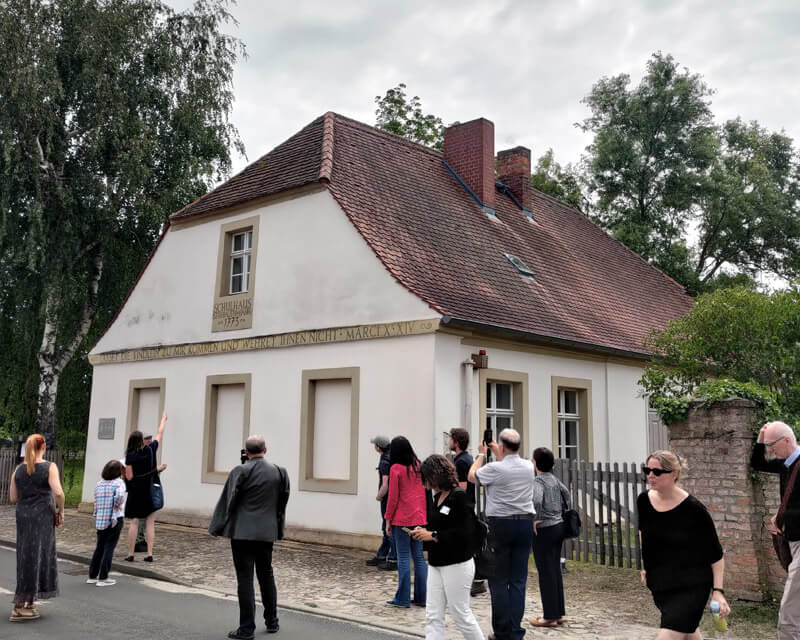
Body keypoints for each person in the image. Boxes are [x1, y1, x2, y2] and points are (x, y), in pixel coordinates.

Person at [638, 450, 729, 639]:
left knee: (671, 631)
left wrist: (718, 592)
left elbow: (716, 555)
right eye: (647, 470)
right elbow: (644, 536)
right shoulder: (644, 501)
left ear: (674, 474)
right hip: (661, 584)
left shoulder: (694, 510)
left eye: (657, 472)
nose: (650, 476)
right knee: (688, 631)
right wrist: (646, 567)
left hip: (691, 585)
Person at [209, 435, 289, 640]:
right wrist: (277, 527)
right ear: (265, 449)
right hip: (266, 532)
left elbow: (228, 500)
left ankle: (246, 628)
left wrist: (218, 526)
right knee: (266, 575)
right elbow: (282, 503)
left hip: (242, 533)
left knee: (245, 579)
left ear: (246, 452)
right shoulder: (280, 472)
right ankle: (272, 621)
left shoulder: (240, 471)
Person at [468, 428, 535, 640]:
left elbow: (472, 477)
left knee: (498, 579)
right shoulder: (527, 466)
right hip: (524, 524)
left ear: (503, 446)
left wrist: (480, 454)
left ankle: (501, 631)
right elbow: (509, 466)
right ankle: (515, 631)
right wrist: (500, 452)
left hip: (500, 526)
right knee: (518, 580)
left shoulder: (495, 469)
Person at [411, 454, 484, 640]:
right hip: (436, 563)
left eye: (427, 478)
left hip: (457, 563)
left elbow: (465, 533)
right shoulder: (437, 498)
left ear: (436, 475)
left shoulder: (459, 497)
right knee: (433, 615)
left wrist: (433, 535)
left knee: (460, 614)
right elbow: (439, 527)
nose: (425, 483)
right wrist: (424, 532)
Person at [751, 421, 800, 639]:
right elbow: (757, 463)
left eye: (772, 445)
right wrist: (761, 440)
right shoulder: (786, 465)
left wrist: (782, 516)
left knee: (789, 611)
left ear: (787, 441)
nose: (770, 449)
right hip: (792, 540)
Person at [9, 433, 65, 622]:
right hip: (42, 517)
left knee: (26, 555)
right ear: (43, 447)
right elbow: (58, 492)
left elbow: (13, 498)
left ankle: (29, 600)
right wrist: (61, 510)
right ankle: (20, 605)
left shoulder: (18, 470)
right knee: (41, 555)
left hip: (23, 517)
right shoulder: (50, 467)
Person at [384, 435, 428, 608]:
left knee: (403, 557)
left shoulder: (396, 469)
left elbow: (393, 498)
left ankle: (402, 598)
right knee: (418, 558)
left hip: (401, 519)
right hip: (419, 517)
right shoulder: (418, 466)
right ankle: (421, 597)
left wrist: (388, 519)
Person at [529, 447, 570, 627]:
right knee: (554, 570)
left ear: (536, 463)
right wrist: (562, 512)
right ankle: (558, 612)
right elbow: (567, 494)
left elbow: (536, 500)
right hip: (558, 527)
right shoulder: (554, 479)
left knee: (545, 572)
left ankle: (549, 616)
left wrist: (535, 519)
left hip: (544, 529)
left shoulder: (538, 481)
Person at [124, 412, 166, 562]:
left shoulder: (130, 455)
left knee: (134, 522)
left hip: (136, 490)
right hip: (149, 489)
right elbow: (159, 434)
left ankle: (130, 554)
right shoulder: (150, 449)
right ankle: (149, 554)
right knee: (150, 522)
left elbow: (129, 476)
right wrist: (163, 420)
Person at [448, 427, 486, 597]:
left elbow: (462, 487)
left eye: (451, 439)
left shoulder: (462, 461)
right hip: (466, 506)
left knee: (465, 543)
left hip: (463, 507)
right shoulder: (464, 458)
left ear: (456, 442)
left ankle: (476, 580)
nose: (449, 441)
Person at [88, 460, 127, 587]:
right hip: (115, 518)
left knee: (99, 547)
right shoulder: (119, 483)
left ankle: (92, 576)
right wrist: (117, 504)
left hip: (101, 519)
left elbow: (96, 501)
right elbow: (120, 497)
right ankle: (103, 577)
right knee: (109, 548)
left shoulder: (99, 484)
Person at [366, 435, 397, 570]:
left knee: (388, 527)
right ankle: (381, 555)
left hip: (387, 498)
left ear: (378, 447)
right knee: (387, 527)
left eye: (375, 445)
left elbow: (386, 484)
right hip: (392, 497)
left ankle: (393, 559)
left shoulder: (385, 461)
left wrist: (379, 496)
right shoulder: (391, 456)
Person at [134, 433, 167, 553]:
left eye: (150, 440)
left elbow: (159, 434)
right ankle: (139, 542)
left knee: (144, 517)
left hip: (146, 489)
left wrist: (163, 420)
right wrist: (157, 470)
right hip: (142, 489)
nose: (149, 441)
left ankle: (140, 541)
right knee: (142, 518)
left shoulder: (149, 450)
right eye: (147, 440)